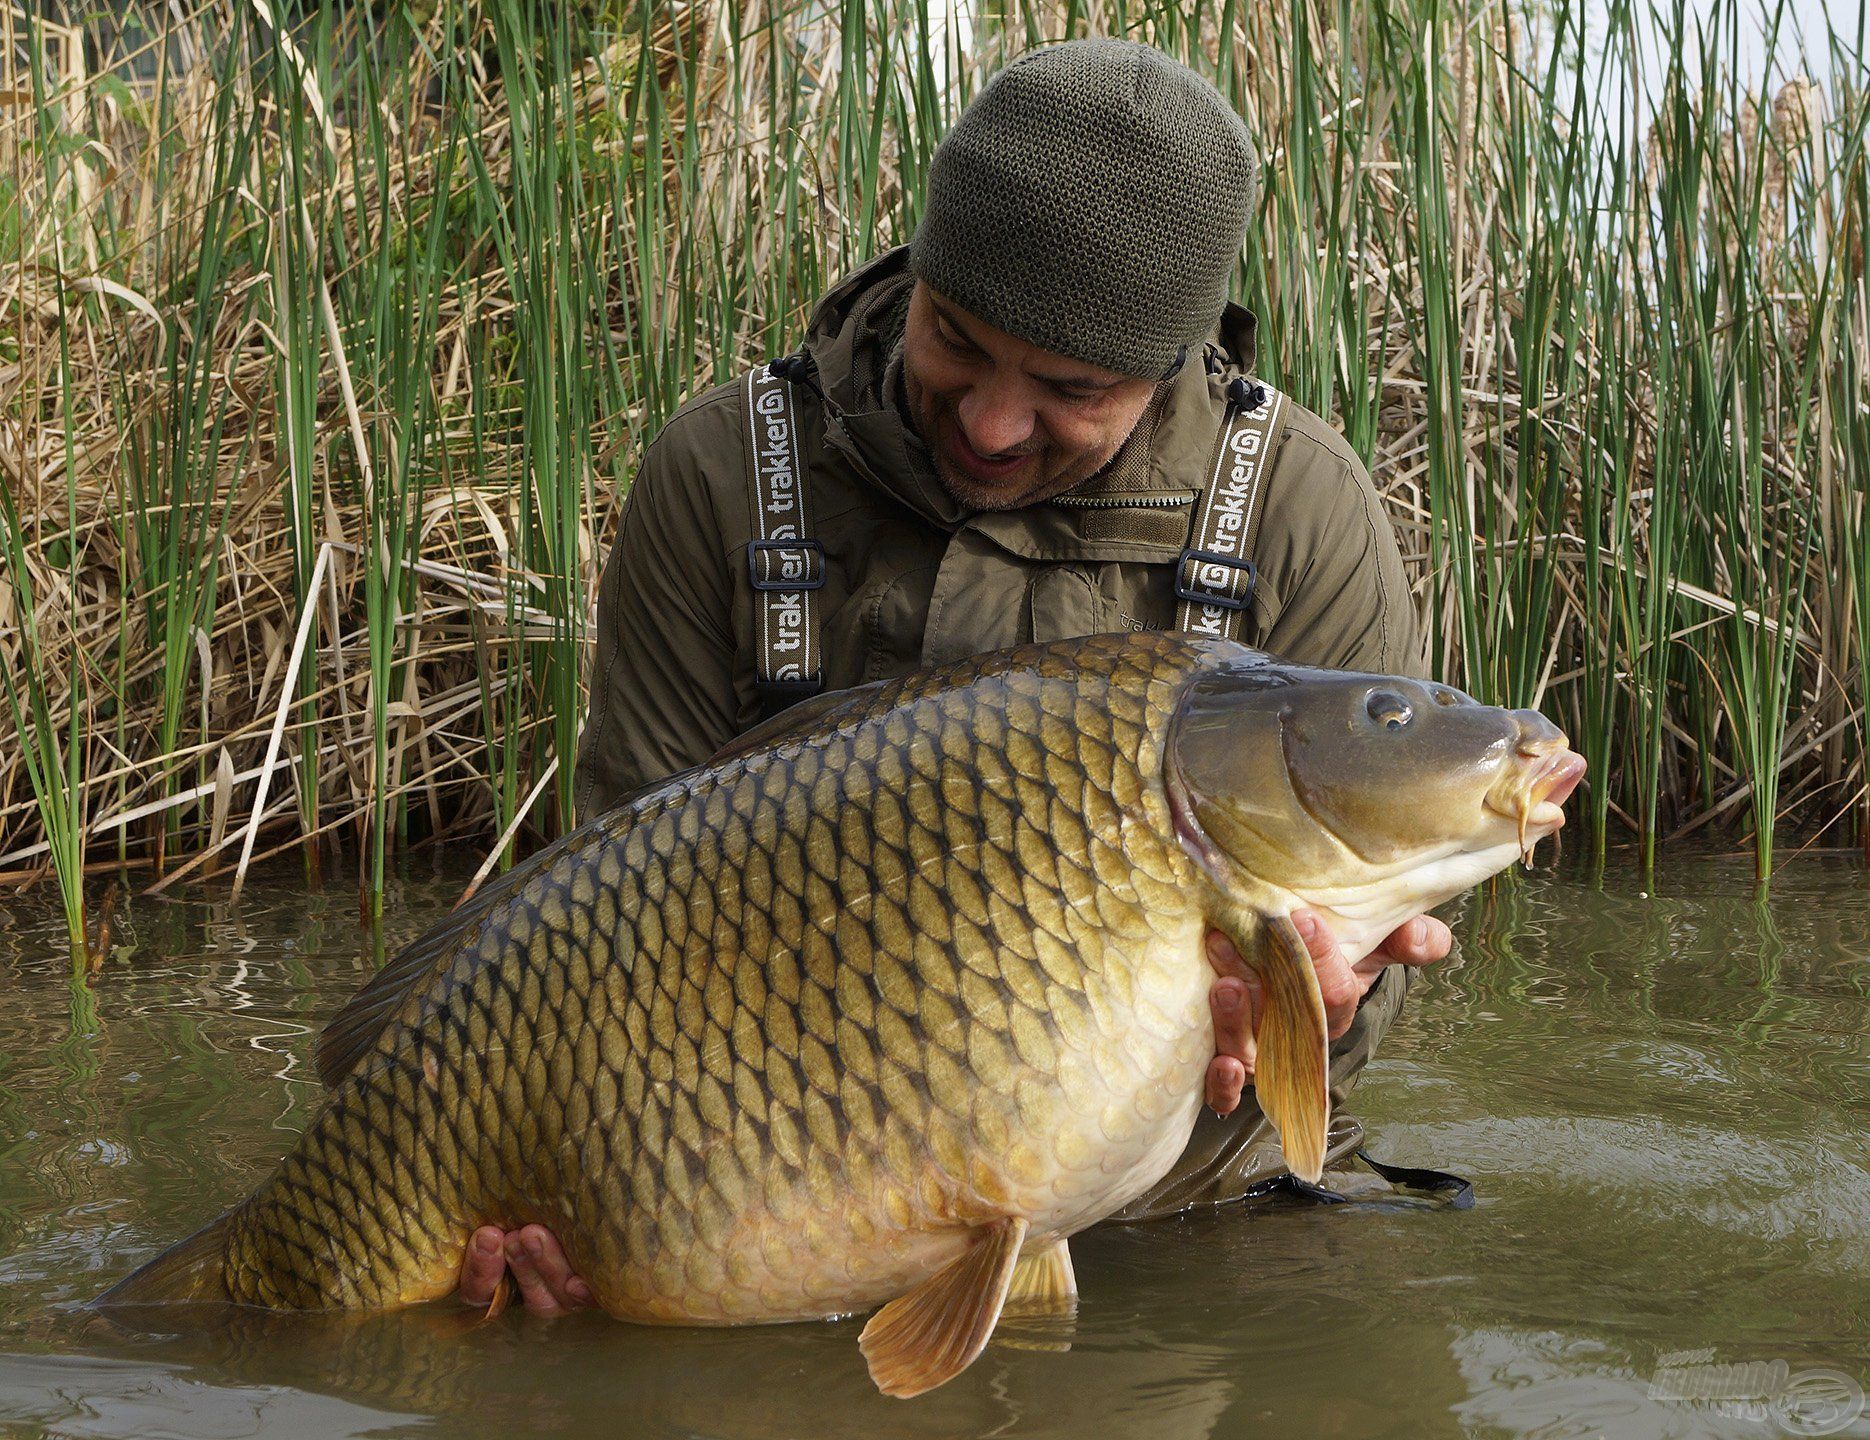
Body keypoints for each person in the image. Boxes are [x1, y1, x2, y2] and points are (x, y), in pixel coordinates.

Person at [459, 37, 1453, 1314]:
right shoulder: (720, 471)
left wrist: (1314, 997)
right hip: (774, 1194)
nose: (989, 421)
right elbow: (611, 927)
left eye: (1070, 388)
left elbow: (1359, 1011)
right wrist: (592, 1193)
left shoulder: (1301, 512)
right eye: (954, 338)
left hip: (1194, 1206)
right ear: (917, 274)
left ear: (1167, 365)